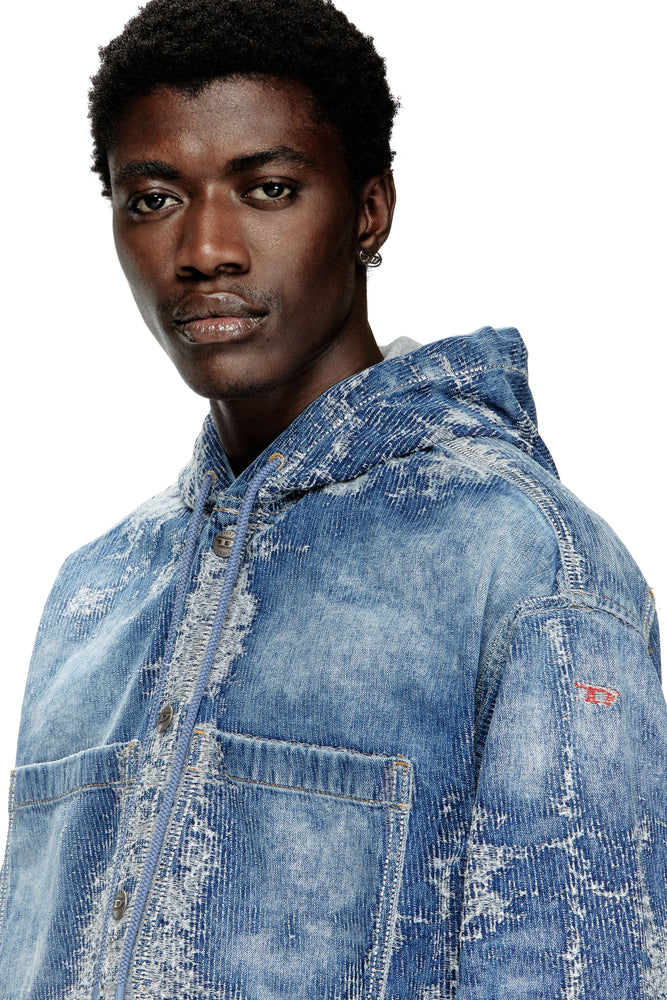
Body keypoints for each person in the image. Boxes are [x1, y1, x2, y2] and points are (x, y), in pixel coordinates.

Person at [0, 0, 665, 996]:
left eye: (268, 188)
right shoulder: (94, 589)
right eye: (153, 197)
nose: (205, 249)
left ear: (368, 211)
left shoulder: (527, 562)